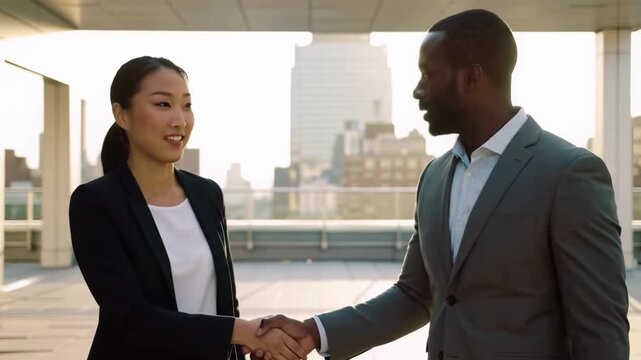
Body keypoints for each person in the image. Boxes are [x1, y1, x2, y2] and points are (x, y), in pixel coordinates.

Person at [253, 9, 630, 360]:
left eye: (428, 75)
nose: (418, 91)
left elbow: (601, 331)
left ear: (471, 78)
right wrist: (314, 332)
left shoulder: (570, 174)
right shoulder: (434, 177)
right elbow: (416, 295)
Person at [69, 56, 307, 360]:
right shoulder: (96, 202)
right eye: (163, 104)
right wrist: (239, 331)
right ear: (122, 115)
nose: (180, 120)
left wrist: (253, 343)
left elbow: (225, 304)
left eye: (187, 105)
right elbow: (130, 318)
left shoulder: (207, 194)